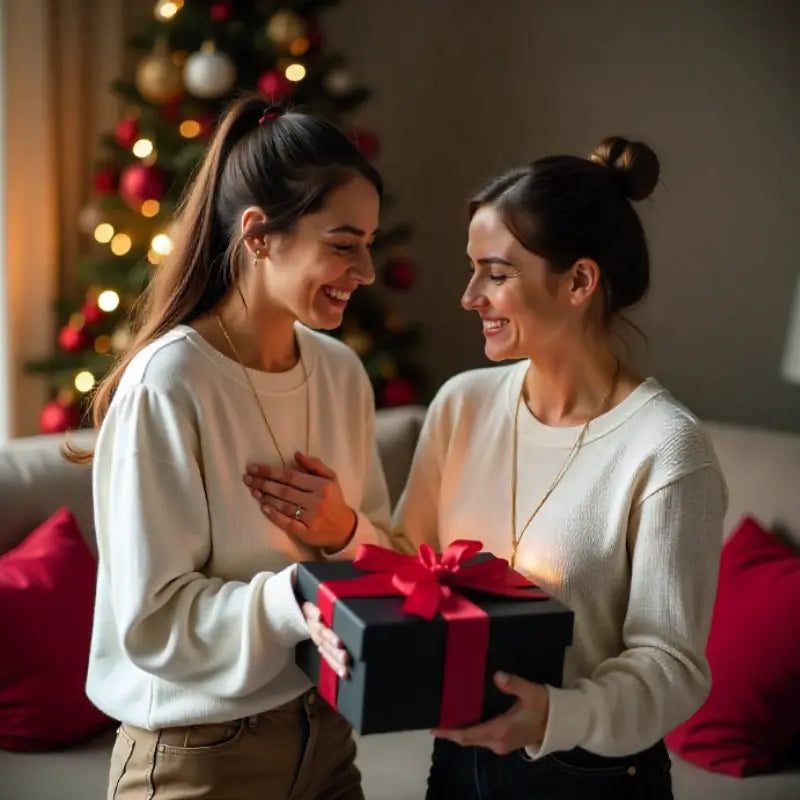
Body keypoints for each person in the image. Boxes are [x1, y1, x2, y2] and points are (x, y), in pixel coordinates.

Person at [294, 136, 726, 799]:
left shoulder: (666, 448)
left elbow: (671, 665)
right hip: (458, 762)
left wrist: (556, 715)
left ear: (579, 281)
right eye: (473, 270)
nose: (470, 297)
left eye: (496, 273)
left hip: (593, 775)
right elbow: (413, 564)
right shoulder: (463, 405)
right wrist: (344, 530)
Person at [77, 93, 392, 800]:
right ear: (258, 235)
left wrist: (344, 531)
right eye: (344, 245)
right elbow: (153, 622)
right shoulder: (170, 382)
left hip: (327, 738)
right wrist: (299, 596)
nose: (366, 271)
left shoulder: (340, 374)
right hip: (198, 758)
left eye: (370, 244)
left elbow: (390, 554)